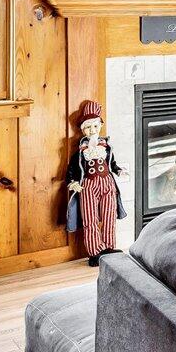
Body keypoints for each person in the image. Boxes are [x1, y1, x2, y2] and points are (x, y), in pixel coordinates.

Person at [64, 99, 126, 263]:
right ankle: (94, 252)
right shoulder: (80, 152)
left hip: (107, 184)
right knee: (89, 218)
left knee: (109, 215)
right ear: (83, 129)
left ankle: (109, 247)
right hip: (88, 186)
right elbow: (71, 170)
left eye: (95, 126)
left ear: (100, 126)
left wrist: (119, 171)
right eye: (88, 127)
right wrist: (73, 182)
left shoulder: (106, 148)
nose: (92, 130)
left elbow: (112, 164)